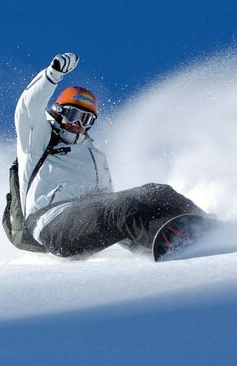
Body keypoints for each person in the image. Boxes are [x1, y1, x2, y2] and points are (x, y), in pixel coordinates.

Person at [13, 52, 205, 258]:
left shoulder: (95, 156)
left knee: (158, 192)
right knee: (120, 207)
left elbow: (109, 209)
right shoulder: (38, 140)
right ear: (58, 111)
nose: (78, 125)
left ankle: (205, 227)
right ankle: (173, 246)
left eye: (86, 120)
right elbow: (26, 109)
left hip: (87, 217)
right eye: (74, 115)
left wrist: (135, 246)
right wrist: (52, 75)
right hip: (51, 224)